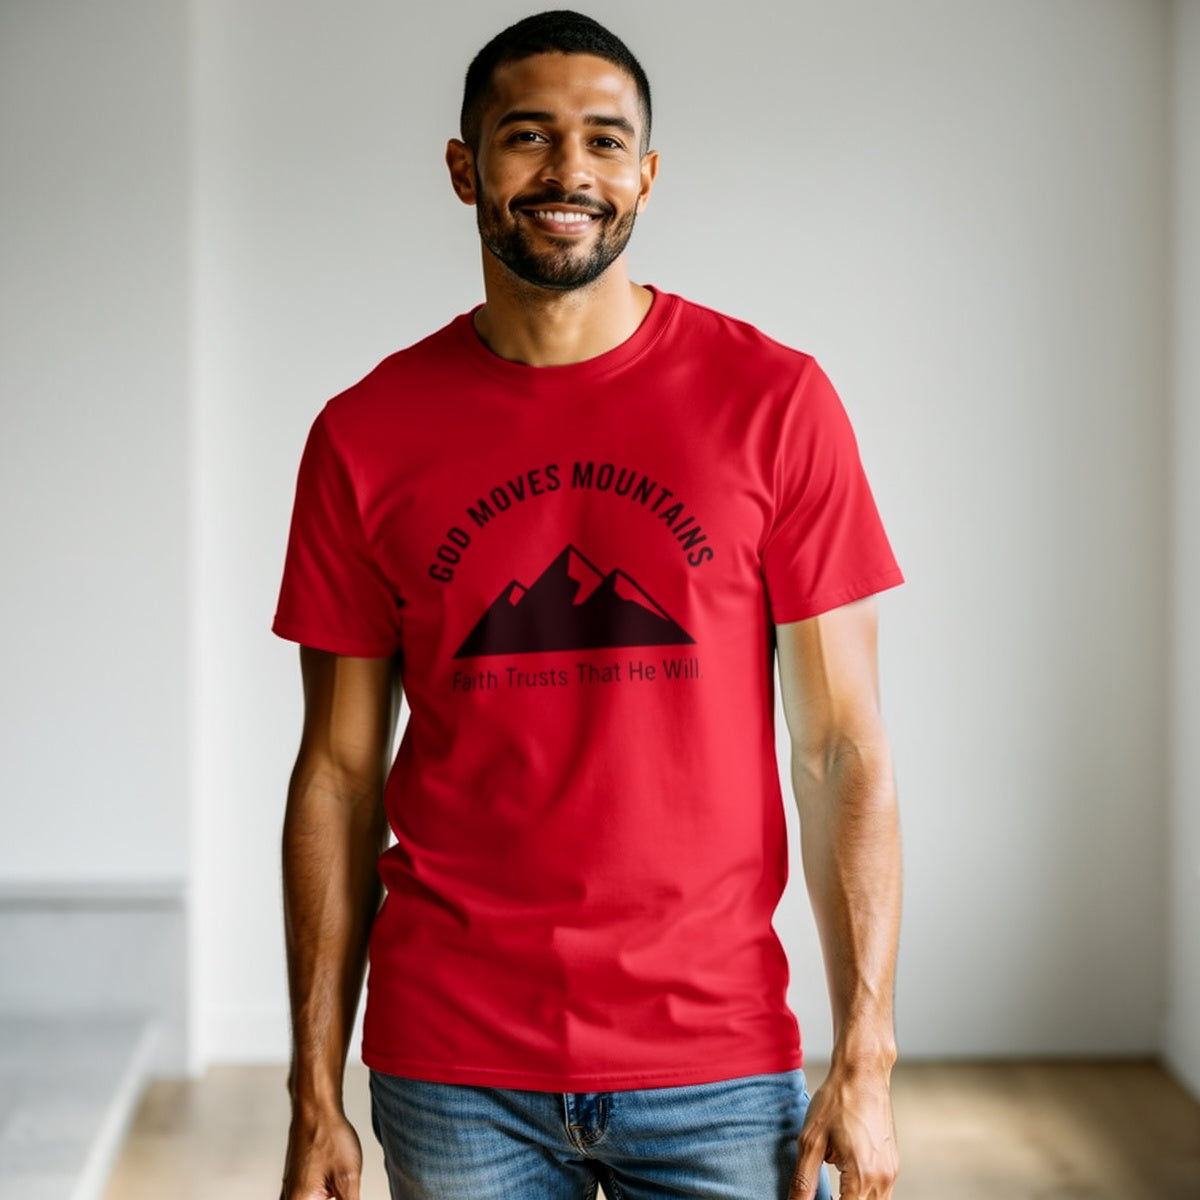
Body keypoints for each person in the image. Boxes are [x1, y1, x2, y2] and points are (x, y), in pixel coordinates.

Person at [274, 10, 903, 1200]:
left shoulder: (776, 404)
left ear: (648, 178)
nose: (571, 172)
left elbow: (839, 749)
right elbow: (340, 777)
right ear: (464, 167)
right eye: (528, 137)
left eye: (607, 143)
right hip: (455, 1063)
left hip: (716, 1056)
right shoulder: (363, 436)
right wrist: (313, 1086)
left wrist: (866, 1050)